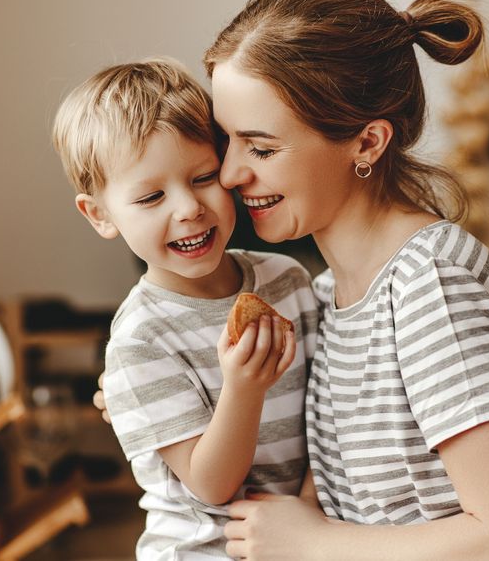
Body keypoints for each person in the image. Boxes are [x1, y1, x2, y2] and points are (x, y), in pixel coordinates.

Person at [95, 0, 489, 560]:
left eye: (261, 147)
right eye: (226, 141)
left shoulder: (431, 287)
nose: (229, 175)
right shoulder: (326, 299)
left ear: (366, 143)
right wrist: (143, 393)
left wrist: (313, 544)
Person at [52, 58, 320, 560]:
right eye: (152, 196)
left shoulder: (288, 280)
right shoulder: (141, 340)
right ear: (100, 215)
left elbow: (330, 404)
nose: (189, 208)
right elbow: (210, 485)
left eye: (203, 178)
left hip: (302, 541)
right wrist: (243, 387)